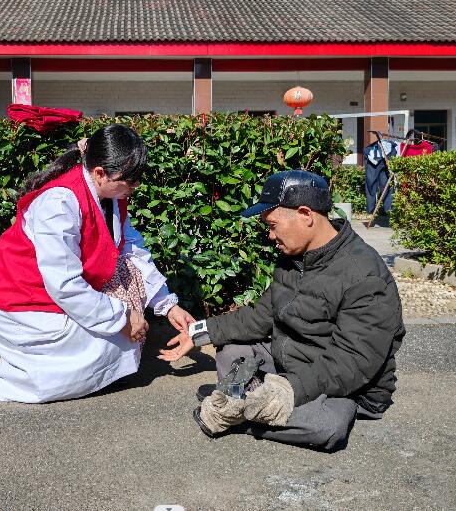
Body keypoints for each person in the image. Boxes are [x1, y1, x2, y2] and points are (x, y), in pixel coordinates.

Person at [159, 170, 405, 451]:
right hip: (291, 362)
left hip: (344, 385)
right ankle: (243, 400)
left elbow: (353, 362)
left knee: (327, 425)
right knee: (230, 350)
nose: (270, 235)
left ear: (305, 214)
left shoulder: (363, 274)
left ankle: (238, 412)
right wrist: (198, 333)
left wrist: (286, 390)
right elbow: (261, 316)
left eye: (273, 225)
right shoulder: (294, 257)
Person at [0, 124, 195, 403]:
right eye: (129, 180)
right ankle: (23, 372)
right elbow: (64, 285)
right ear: (100, 173)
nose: (135, 186)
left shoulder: (113, 195)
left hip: (53, 294)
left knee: (124, 328)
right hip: (21, 307)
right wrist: (122, 318)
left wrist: (168, 305)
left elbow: (132, 251)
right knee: (116, 346)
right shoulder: (58, 202)